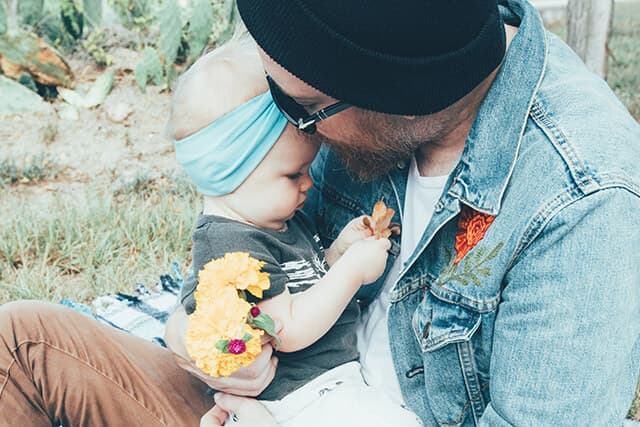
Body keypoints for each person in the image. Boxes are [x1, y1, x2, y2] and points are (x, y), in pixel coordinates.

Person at [0, 0, 638, 426]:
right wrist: (207, 342)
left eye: (301, 109)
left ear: (399, 95)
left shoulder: (585, 203)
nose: (291, 126)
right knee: (18, 342)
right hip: (274, 401)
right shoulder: (360, 77)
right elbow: (246, 269)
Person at [168, 35, 421, 426]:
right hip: (297, 400)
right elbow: (289, 329)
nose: (308, 183)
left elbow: (304, 279)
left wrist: (337, 251)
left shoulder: (275, 219)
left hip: (325, 388)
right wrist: (351, 269)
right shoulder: (230, 247)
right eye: (293, 174)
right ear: (233, 170)